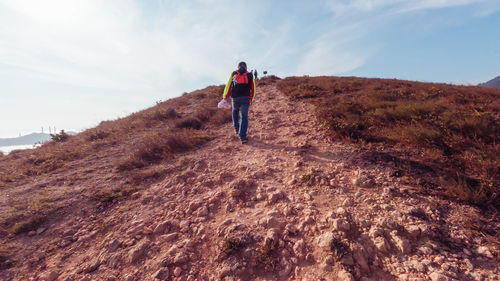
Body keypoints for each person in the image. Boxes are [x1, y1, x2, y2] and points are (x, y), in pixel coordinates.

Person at [222, 61, 256, 144]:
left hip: (235, 98)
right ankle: (242, 137)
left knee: (235, 111)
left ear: (238, 67)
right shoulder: (250, 74)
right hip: (245, 98)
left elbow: (229, 85)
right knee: (244, 116)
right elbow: (253, 89)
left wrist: (225, 97)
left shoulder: (234, 73)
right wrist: (251, 99)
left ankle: (236, 127)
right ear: (246, 67)